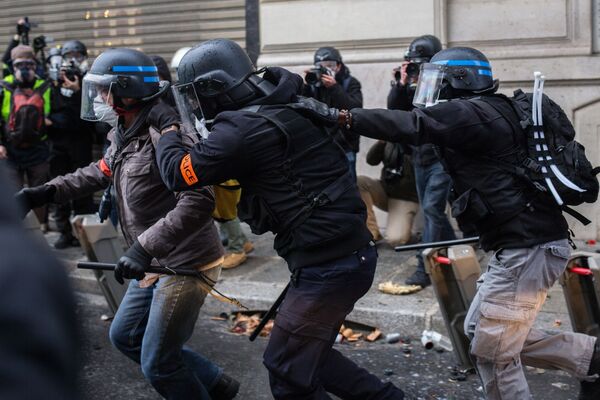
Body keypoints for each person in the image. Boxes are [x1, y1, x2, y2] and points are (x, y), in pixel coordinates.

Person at [338, 46, 600, 400]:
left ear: (459, 80)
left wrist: (341, 116)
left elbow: (412, 125)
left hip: (528, 249)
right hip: (526, 247)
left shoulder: (473, 112)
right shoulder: (489, 109)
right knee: (481, 332)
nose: (429, 89)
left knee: (494, 355)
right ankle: (591, 359)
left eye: (436, 81)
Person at [155, 38, 404, 399]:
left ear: (215, 89)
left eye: (195, 96)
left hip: (330, 266)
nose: (194, 105)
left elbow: (178, 173)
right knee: (308, 360)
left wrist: (168, 130)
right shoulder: (280, 100)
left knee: (287, 370)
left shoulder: (240, 132)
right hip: (337, 256)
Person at [14, 48, 238, 400]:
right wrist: (43, 193)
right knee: (124, 336)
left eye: (104, 89)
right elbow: (98, 171)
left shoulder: (168, 134)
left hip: (184, 263)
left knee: (159, 364)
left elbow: (198, 200)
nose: (100, 97)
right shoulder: (123, 130)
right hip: (152, 262)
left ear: (126, 90)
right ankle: (214, 382)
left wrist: (142, 247)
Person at [0, 165, 80, 400]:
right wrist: (47, 190)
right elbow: (97, 172)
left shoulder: (16, 268)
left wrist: (144, 247)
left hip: (170, 260)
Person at [388, 34, 456, 288]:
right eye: (412, 64)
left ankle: (423, 267)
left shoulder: (447, 81)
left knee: (431, 209)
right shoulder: (409, 85)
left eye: (420, 64)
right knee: (433, 210)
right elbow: (395, 115)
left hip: (442, 156)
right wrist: (401, 85)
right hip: (418, 156)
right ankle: (458, 243)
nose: (416, 69)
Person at [47, 40, 97, 248]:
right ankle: (65, 232)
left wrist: (78, 91)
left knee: (84, 189)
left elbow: (89, 116)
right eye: (69, 56)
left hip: (81, 144)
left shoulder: (89, 82)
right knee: (59, 189)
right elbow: (48, 115)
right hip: (58, 146)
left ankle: (85, 234)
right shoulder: (53, 84)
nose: (74, 59)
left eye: (78, 55)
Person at [0, 44, 53, 228]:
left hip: (38, 149)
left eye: (29, 65)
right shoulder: (4, 86)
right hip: (10, 150)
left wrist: (51, 121)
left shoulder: (45, 86)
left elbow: (60, 112)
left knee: (39, 191)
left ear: (35, 66)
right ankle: (17, 229)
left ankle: (40, 228)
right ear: (12, 66)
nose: (24, 69)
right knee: (13, 192)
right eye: (20, 65)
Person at [303, 46, 363, 180]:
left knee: (349, 185)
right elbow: (304, 107)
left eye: (330, 65)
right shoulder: (314, 85)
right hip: (320, 146)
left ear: (338, 66)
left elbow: (354, 109)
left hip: (345, 146)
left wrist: (334, 87)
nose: (325, 69)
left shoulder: (350, 83)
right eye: (320, 66)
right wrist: (306, 85)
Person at [357, 140, 419, 246]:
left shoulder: (414, 139)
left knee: (396, 240)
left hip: (406, 197)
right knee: (360, 182)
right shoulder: (389, 138)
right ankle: (372, 234)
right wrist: (381, 142)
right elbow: (371, 160)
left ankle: (410, 233)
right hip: (386, 190)